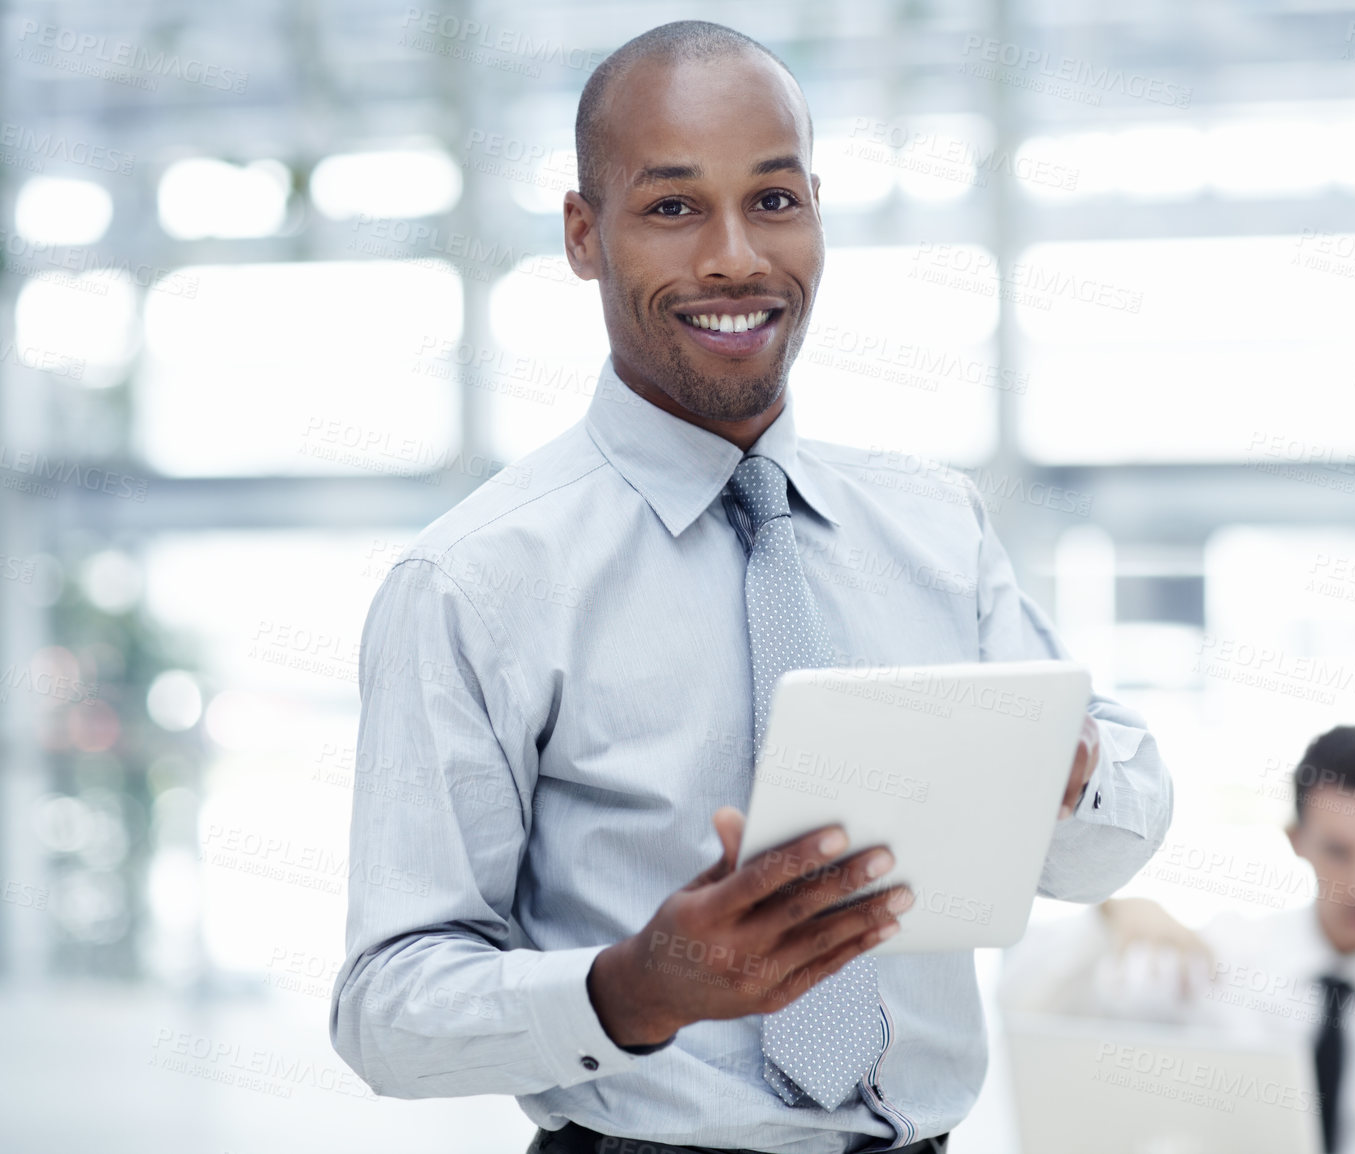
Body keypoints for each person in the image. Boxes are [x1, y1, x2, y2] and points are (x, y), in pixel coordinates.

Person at [327, 19, 1174, 1154]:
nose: (734, 257)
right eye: (672, 207)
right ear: (585, 234)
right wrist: (636, 987)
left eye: (773, 200)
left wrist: (1064, 772)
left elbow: (1098, 846)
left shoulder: (931, 523)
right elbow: (387, 1009)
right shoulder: (476, 582)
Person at [999, 725, 1355, 1154]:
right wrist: (1109, 917)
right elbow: (1027, 1001)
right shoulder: (1225, 960)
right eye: (1339, 851)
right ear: (1295, 841)